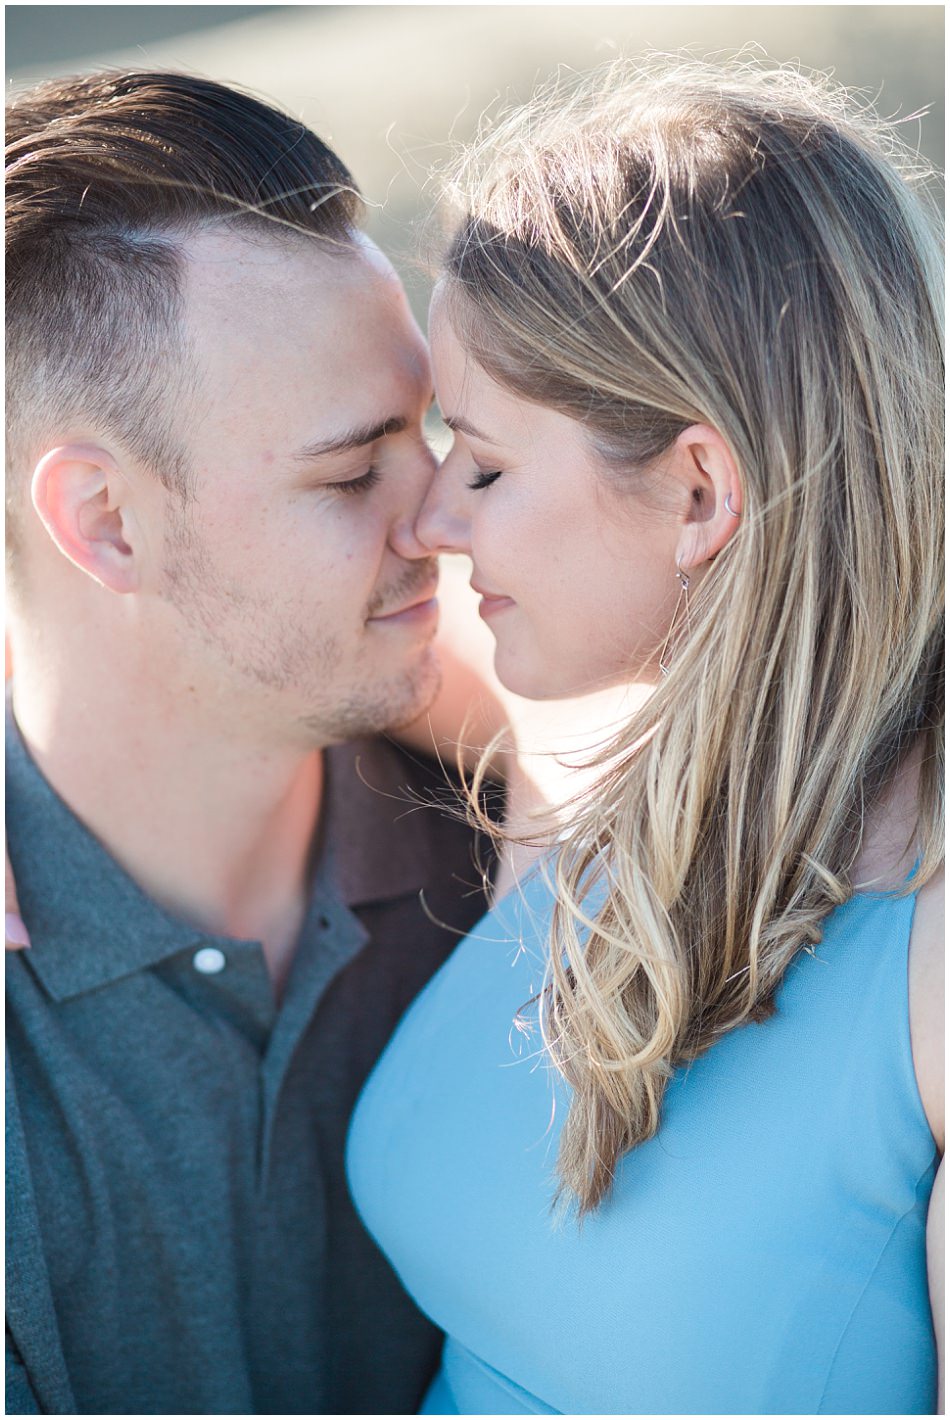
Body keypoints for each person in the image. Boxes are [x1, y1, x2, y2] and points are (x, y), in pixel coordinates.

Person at [347, 57, 945, 1414]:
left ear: (694, 491)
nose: (433, 520)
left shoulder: (926, 964)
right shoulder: (584, 733)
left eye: (485, 463)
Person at [4, 70, 505, 1415]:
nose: (446, 518)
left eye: (437, 437)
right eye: (351, 474)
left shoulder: (525, 849)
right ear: (106, 521)